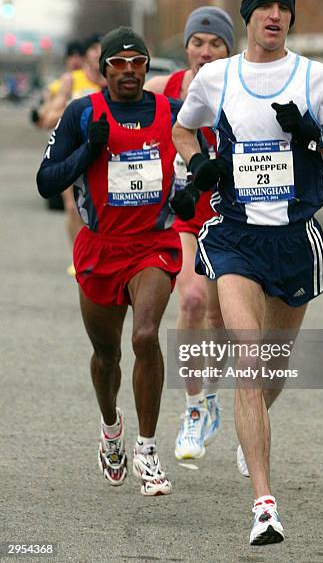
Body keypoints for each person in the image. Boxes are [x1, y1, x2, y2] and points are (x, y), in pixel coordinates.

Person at [171, 0, 323, 545]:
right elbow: (186, 133)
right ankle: (264, 506)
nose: (275, 16)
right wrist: (199, 164)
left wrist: (313, 137)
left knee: (272, 368)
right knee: (251, 364)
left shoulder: (317, 79)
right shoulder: (217, 78)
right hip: (235, 237)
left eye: (284, 7)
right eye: (265, 7)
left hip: (293, 242)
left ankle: (247, 431)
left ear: (290, 18)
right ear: (249, 15)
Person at [36, 26, 183, 496]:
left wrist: (198, 184)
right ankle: (111, 427)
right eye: (118, 64)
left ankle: (147, 448)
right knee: (107, 355)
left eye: (137, 62)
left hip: (152, 244)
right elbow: (46, 179)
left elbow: (205, 153)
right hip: (100, 247)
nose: (128, 71)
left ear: (146, 66)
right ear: (105, 71)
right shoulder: (83, 113)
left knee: (145, 336)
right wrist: (88, 150)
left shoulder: (169, 111)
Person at [145, 6, 234, 460]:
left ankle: (213, 397)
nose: (205, 51)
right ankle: (193, 407)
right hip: (182, 216)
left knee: (219, 320)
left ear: (228, 49)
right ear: (186, 48)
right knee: (193, 300)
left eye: (215, 43)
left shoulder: (240, 87)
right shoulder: (164, 89)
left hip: (226, 217)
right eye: (197, 43)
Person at [37, 34, 106, 274]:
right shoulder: (71, 80)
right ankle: (80, 258)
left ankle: (100, 254)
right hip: (72, 153)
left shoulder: (115, 79)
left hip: (103, 155)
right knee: (72, 207)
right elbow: (48, 115)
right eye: (93, 49)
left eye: (101, 48)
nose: (98, 53)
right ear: (86, 54)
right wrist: (69, 112)